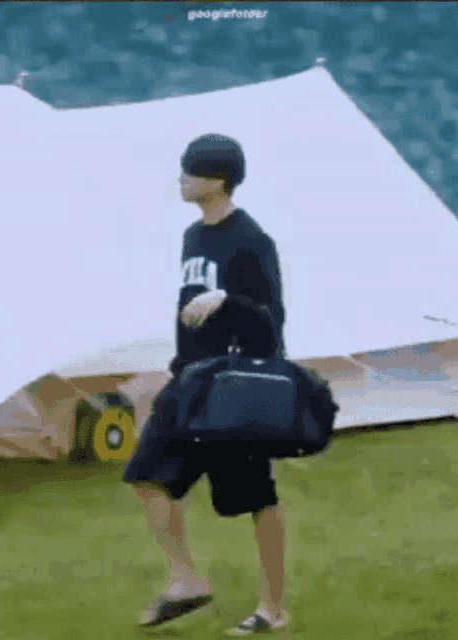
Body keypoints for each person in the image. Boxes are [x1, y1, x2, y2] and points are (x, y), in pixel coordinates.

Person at [121, 133, 291, 635]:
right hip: (188, 382)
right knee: (146, 476)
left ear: (217, 181)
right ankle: (187, 581)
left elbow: (272, 322)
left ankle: (273, 610)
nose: (180, 179)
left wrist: (227, 302)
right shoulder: (192, 237)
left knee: (256, 499)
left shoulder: (253, 241)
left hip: (235, 388)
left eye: (189, 172)